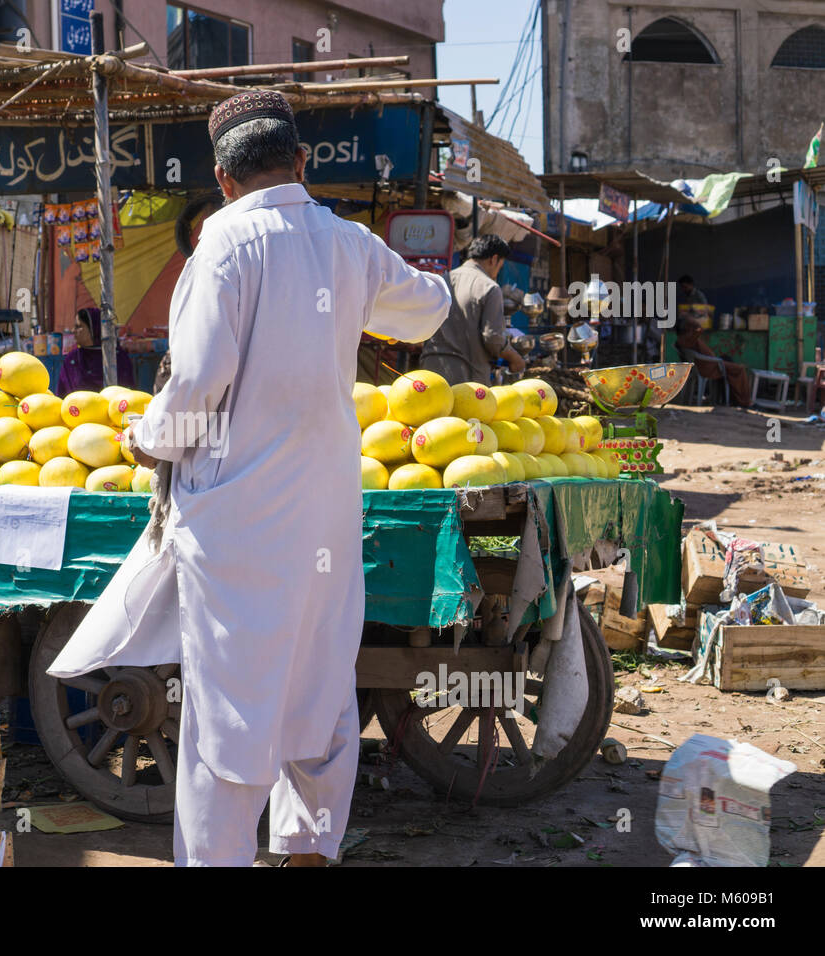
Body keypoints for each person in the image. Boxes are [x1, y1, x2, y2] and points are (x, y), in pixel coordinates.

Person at [47, 90, 451, 867]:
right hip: (327, 513)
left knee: (228, 711)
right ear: (300, 162)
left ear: (224, 181)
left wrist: (148, 440)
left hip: (237, 523)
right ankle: (306, 852)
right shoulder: (348, 244)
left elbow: (198, 379)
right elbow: (425, 312)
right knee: (320, 685)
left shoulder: (221, 247)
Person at [420, 235, 526, 384]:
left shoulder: (442, 280)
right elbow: (493, 339)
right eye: (500, 267)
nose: (497, 272)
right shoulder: (489, 287)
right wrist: (516, 359)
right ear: (494, 259)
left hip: (429, 374)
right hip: (466, 381)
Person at [675, 312, 753, 407]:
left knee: (728, 360)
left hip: (710, 364)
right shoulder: (688, 338)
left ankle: (733, 399)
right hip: (710, 367)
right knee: (740, 369)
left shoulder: (683, 340)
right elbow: (699, 327)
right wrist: (690, 318)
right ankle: (745, 402)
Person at [57, 307, 135, 393]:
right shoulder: (72, 359)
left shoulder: (117, 357)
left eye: (78, 326)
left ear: (94, 328)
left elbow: (128, 393)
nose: (73, 330)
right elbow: (62, 393)